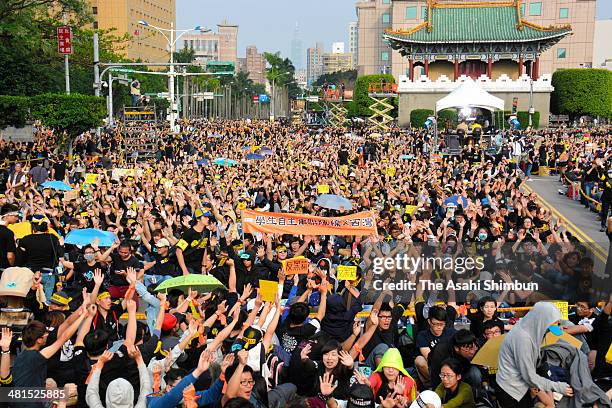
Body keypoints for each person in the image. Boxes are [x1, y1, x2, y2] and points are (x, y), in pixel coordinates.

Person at [496, 302, 574, 407]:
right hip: (511, 391)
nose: (547, 332)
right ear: (541, 322)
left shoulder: (528, 326)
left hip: (520, 387)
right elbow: (529, 377)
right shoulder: (523, 339)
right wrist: (558, 387)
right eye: (548, 328)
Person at [0, 204, 19, 269]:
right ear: (7, 216)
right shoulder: (8, 233)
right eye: (16, 216)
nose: (17, 218)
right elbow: (10, 256)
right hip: (3, 268)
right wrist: (12, 267)